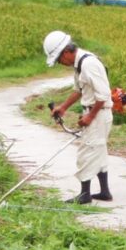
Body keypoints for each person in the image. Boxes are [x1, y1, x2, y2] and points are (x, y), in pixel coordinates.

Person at [42, 31, 113, 204]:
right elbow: (78, 90)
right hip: (96, 113)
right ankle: (104, 192)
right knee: (98, 151)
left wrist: (90, 117)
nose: (61, 63)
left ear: (66, 52)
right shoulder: (80, 63)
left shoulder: (88, 64)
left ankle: (84, 195)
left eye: (59, 59)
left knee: (86, 152)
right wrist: (63, 107)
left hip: (98, 113)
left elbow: (103, 94)